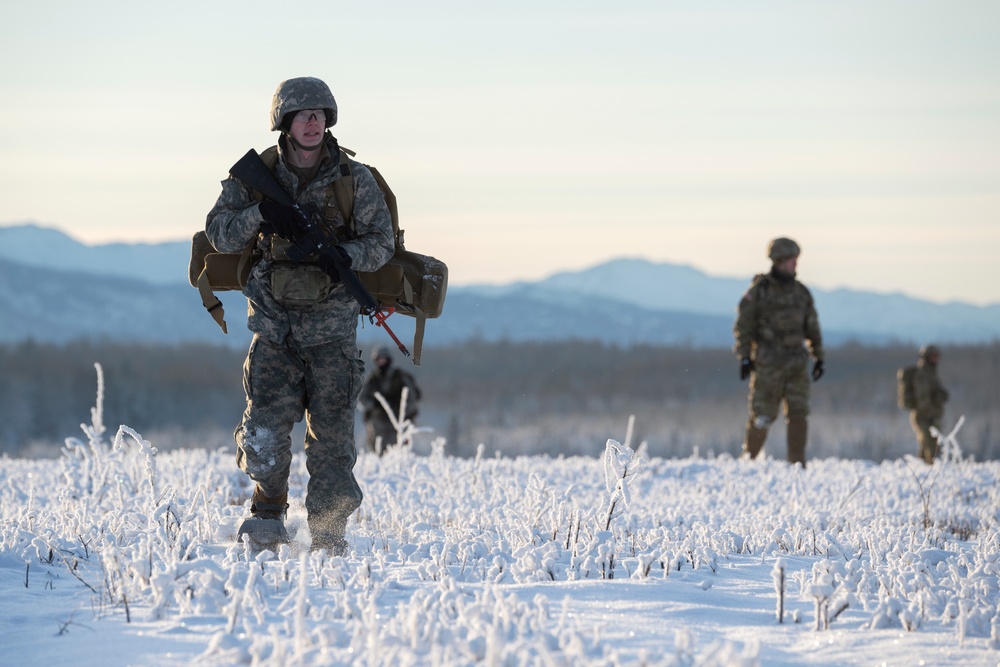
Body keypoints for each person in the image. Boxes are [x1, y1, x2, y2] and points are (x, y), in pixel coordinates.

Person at [205, 76, 394, 553]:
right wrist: (263, 215)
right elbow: (219, 233)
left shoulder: (356, 179)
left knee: (331, 443)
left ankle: (328, 532)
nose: (313, 122)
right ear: (284, 122)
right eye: (302, 114)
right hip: (273, 329)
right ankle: (267, 513)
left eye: (320, 114)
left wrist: (345, 256)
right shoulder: (256, 176)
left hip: (332, 333)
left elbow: (383, 244)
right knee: (264, 433)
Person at [733, 237, 825, 466]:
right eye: (791, 260)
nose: (795, 264)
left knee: (798, 415)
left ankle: (797, 465)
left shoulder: (801, 293)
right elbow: (743, 326)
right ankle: (748, 462)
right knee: (762, 416)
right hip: (768, 365)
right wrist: (744, 357)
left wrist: (819, 356)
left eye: (796, 260)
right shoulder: (759, 291)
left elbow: (812, 327)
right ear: (779, 260)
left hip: (796, 365)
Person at [360, 347, 422, 455]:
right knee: (377, 450)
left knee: (399, 450)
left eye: (384, 359)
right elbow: (362, 399)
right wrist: (374, 405)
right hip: (378, 421)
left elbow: (411, 398)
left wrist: (402, 414)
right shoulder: (372, 379)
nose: (381, 362)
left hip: (398, 421)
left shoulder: (400, 378)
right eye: (379, 359)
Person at [908, 344, 949, 464]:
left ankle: (920, 474)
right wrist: (932, 412)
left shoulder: (931, 373)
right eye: (933, 356)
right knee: (932, 450)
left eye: (937, 356)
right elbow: (923, 400)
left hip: (930, 416)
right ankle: (928, 477)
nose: (936, 359)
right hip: (924, 417)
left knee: (926, 448)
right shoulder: (922, 374)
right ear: (926, 357)